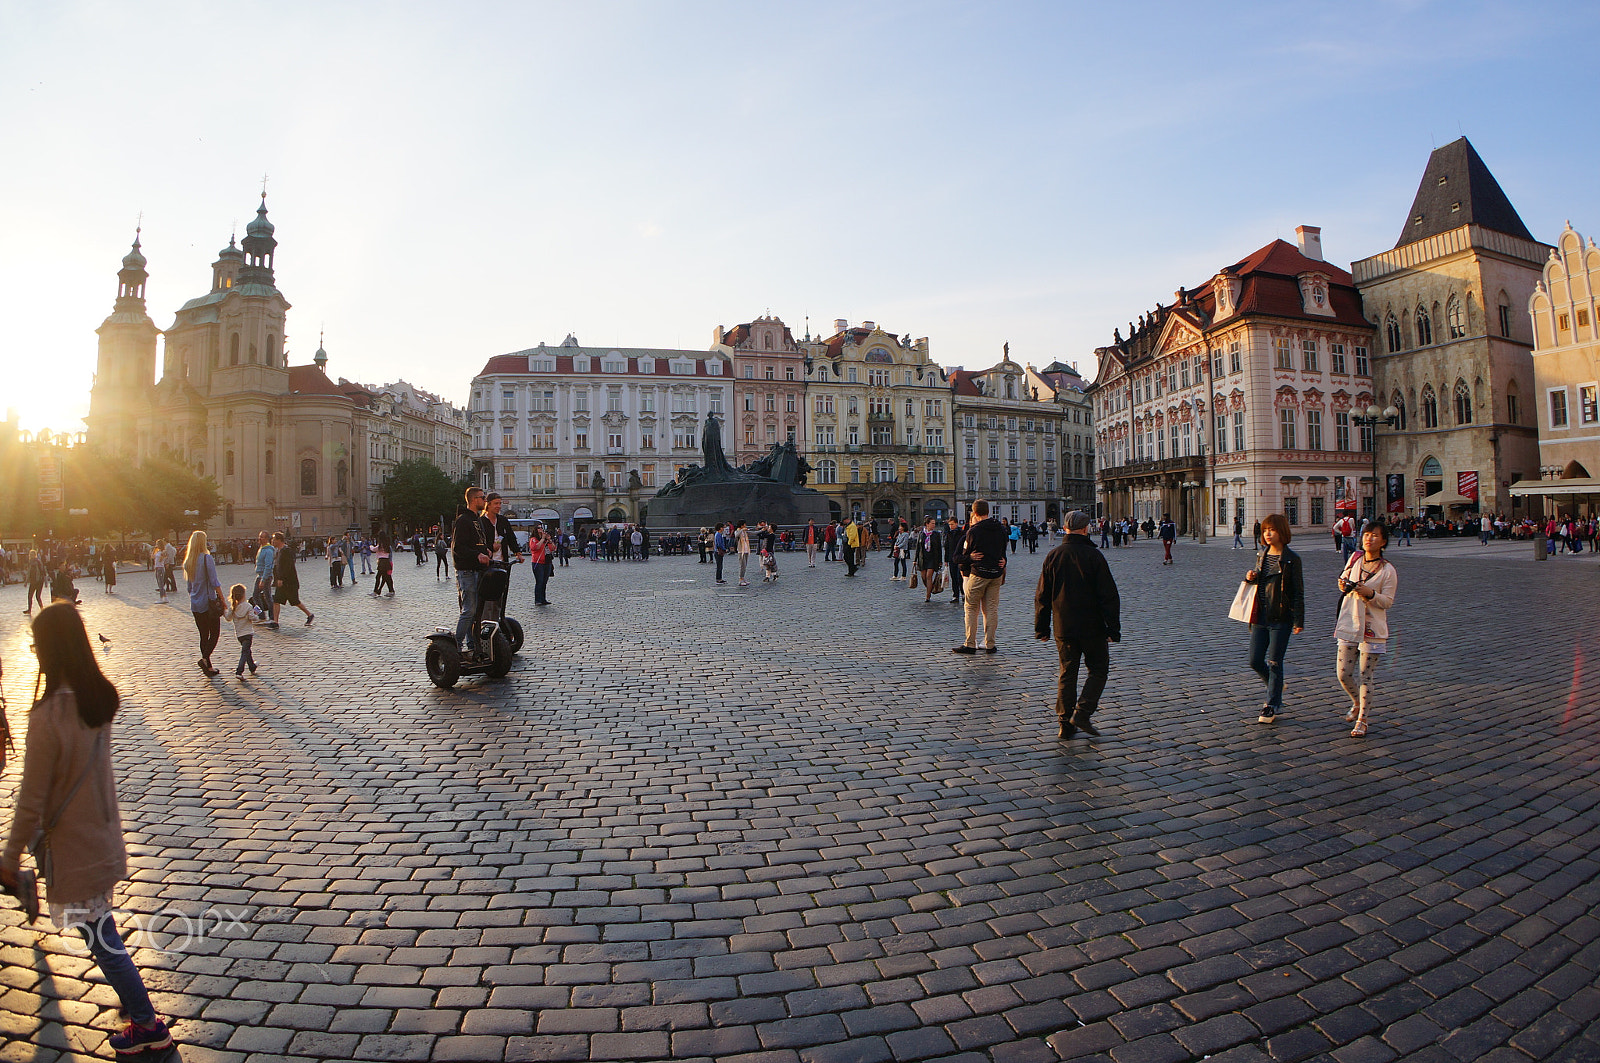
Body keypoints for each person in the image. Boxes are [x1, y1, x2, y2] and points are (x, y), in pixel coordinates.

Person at [1, 604, 173, 1055]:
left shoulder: (48, 716)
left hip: (76, 851)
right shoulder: (95, 699)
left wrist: (9, 854)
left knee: (103, 940)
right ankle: (138, 1011)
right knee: (102, 932)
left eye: (37, 645)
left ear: (50, 649)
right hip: (102, 839)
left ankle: (146, 1023)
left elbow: (31, 801)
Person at [1035, 511, 1121, 739]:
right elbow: (1109, 595)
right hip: (1092, 625)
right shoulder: (1094, 556)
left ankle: (1065, 723)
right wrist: (1113, 628)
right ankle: (1082, 712)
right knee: (1099, 670)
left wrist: (1041, 627)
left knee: (1067, 672)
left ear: (1064, 528)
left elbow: (1042, 596)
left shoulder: (1054, 555)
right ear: (1085, 529)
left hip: (1063, 625)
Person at [1335, 523, 1398, 737]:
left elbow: (1387, 601)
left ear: (1383, 541)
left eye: (1374, 536)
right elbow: (1342, 579)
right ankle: (1356, 702)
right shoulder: (1355, 559)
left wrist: (1370, 593)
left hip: (1372, 628)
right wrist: (1343, 585)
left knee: (1365, 675)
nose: (1369, 539)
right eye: (1366, 535)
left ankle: (1362, 719)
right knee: (1343, 674)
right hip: (1350, 622)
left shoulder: (1388, 570)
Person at [1244, 513, 1304, 724]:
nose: (1268, 534)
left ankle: (1271, 705)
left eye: (1272, 530)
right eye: (1265, 531)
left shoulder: (1291, 559)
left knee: (1275, 662)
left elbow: (1298, 591)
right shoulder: (1262, 554)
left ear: (1282, 532)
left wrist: (1298, 620)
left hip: (1281, 617)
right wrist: (1250, 577)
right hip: (1260, 615)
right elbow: (1260, 583)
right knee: (1254, 660)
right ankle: (1275, 685)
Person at [953, 499, 1007, 654]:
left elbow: (964, 554)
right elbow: (1003, 551)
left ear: (974, 513)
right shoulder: (1000, 529)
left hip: (978, 573)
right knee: (991, 609)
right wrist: (1004, 561)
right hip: (996, 573)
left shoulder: (974, 531)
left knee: (970, 607)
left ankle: (970, 643)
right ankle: (990, 644)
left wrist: (970, 558)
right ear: (988, 511)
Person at [452, 487, 493, 653]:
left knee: (475, 611)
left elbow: (477, 543)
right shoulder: (463, 520)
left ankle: (472, 645)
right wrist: (477, 555)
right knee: (469, 610)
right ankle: (456, 644)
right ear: (473, 499)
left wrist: (487, 550)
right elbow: (458, 548)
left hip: (477, 570)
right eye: (482, 498)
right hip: (466, 571)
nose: (484, 501)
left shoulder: (477, 520)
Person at [183, 530, 226, 676]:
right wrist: (223, 599)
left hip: (195, 603)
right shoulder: (207, 559)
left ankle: (208, 667)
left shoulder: (188, 561)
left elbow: (189, 587)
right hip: (209, 603)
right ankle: (204, 659)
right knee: (214, 633)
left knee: (203, 635)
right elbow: (214, 582)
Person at [271, 531, 313, 628]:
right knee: (276, 600)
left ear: (279, 540)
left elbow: (288, 566)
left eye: (274, 539)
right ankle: (275, 622)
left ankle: (310, 615)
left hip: (289, 583)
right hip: (281, 583)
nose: (272, 541)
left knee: (295, 602)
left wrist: (281, 578)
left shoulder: (286, 551)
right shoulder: (279, 551)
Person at [226, 583, 258, 678]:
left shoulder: (233, 607)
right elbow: (253, 617)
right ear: (244, 595)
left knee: (247, 651)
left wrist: (223, 610)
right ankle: (239, 671)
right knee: (245, 652)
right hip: (248, 633)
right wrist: (256, 614)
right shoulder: (248, 606)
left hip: (239, 634)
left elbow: (228, 618)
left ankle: (252, 667)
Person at [913, 516, 944, 603]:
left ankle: (928, 596)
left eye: (934, 523)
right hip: (923, 558)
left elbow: (939, 548)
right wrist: (915, 560)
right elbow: (918, 548)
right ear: (927, 524)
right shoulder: (921, 534)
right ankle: (931, 588)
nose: (934, 525)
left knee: (928, 576)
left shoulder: (936, 535)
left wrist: (940, 561)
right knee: (923, 577)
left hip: (932, 558)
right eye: (932, 523)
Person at [944, 516, 966, 604]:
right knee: (953, 577)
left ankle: (963, 593)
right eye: (949, 524)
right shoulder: (948, 534)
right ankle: (955, 595)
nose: (951, 526)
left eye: (952, 524)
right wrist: (946, 560)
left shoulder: (961, 533)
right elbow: (947, 547)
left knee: (960, 577)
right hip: (951, 558)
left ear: (956, 524)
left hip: (960, 558)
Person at [735, 520, 752, 587]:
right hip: (741, 551)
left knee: (745, 566)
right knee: (742, 565)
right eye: (745, 524)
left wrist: (762, 530)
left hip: (746, 550)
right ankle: (740, 579)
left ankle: (743, 578)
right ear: (742, 525)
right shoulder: (738, 531)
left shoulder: (745, 532)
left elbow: (753, 533)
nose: (746, 525)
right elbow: (736, 535)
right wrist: (742, 530)